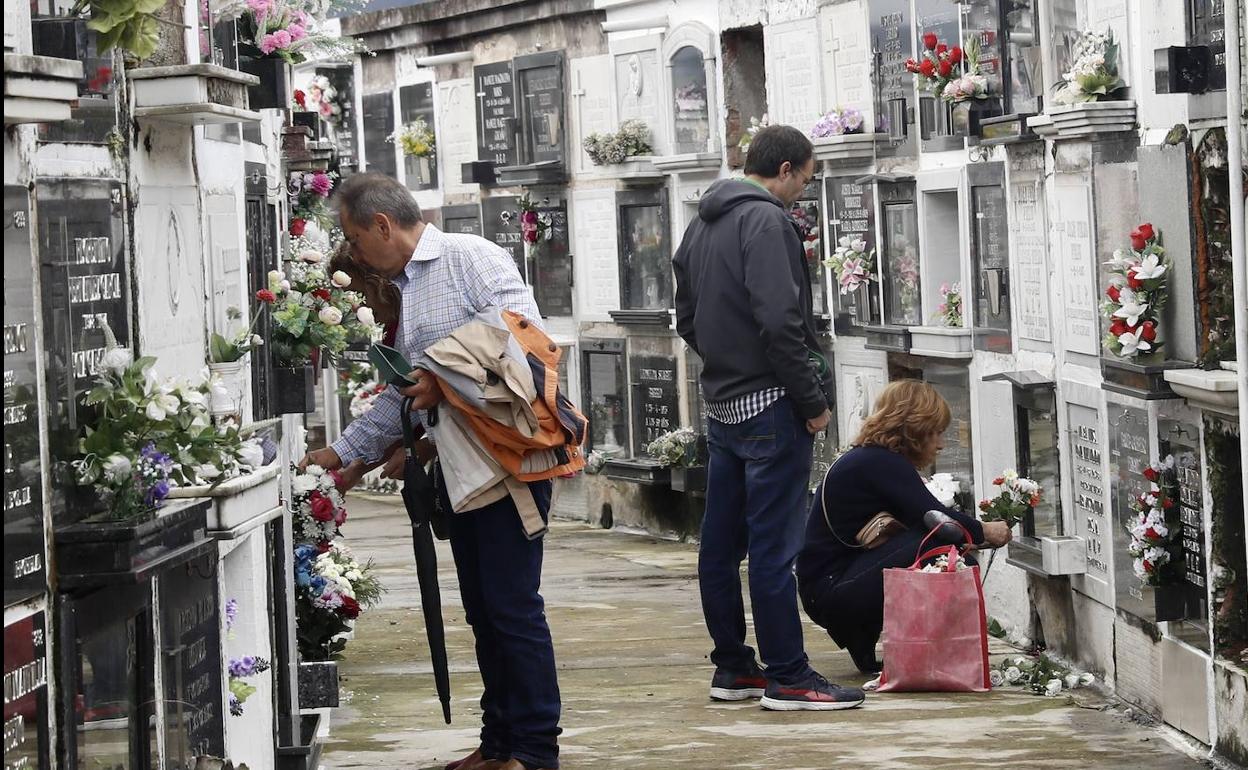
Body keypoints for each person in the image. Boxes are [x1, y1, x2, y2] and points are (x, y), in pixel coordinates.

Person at [301, 174, 561, 770]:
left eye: (355, 238)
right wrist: (341, 454)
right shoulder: (405, 286)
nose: (356, 253)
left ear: (383, 226)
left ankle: (535, 749)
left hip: (506, 463)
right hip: (458, 467)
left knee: (513, 606)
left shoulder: (470, 259)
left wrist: (442, 380)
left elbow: (528, 343)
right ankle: (498, 744)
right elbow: (404, 395)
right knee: (482, 609)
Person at [672, 124, 864, 711]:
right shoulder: (766, 222)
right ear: (784, 170)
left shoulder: (700, 222)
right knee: (776, 549)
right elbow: (781, 323)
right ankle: (789, 675)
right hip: (772, 405)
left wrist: (726, 365)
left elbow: (686, 318)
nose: (802, 193)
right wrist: (812, 403)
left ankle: (733, 667)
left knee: (720, 545)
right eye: (804, 179)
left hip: (723, 406)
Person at [796, 380, 1013, 674]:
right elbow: (936, 517)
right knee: (941, 547)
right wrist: (986, 531)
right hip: (832, 592)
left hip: (825, 587)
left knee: (938, 546)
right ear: (914, 430)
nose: (941, 444)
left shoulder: (871, 459)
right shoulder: (881, 463)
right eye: (936, 433)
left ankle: (865, 639)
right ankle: (938, 649)